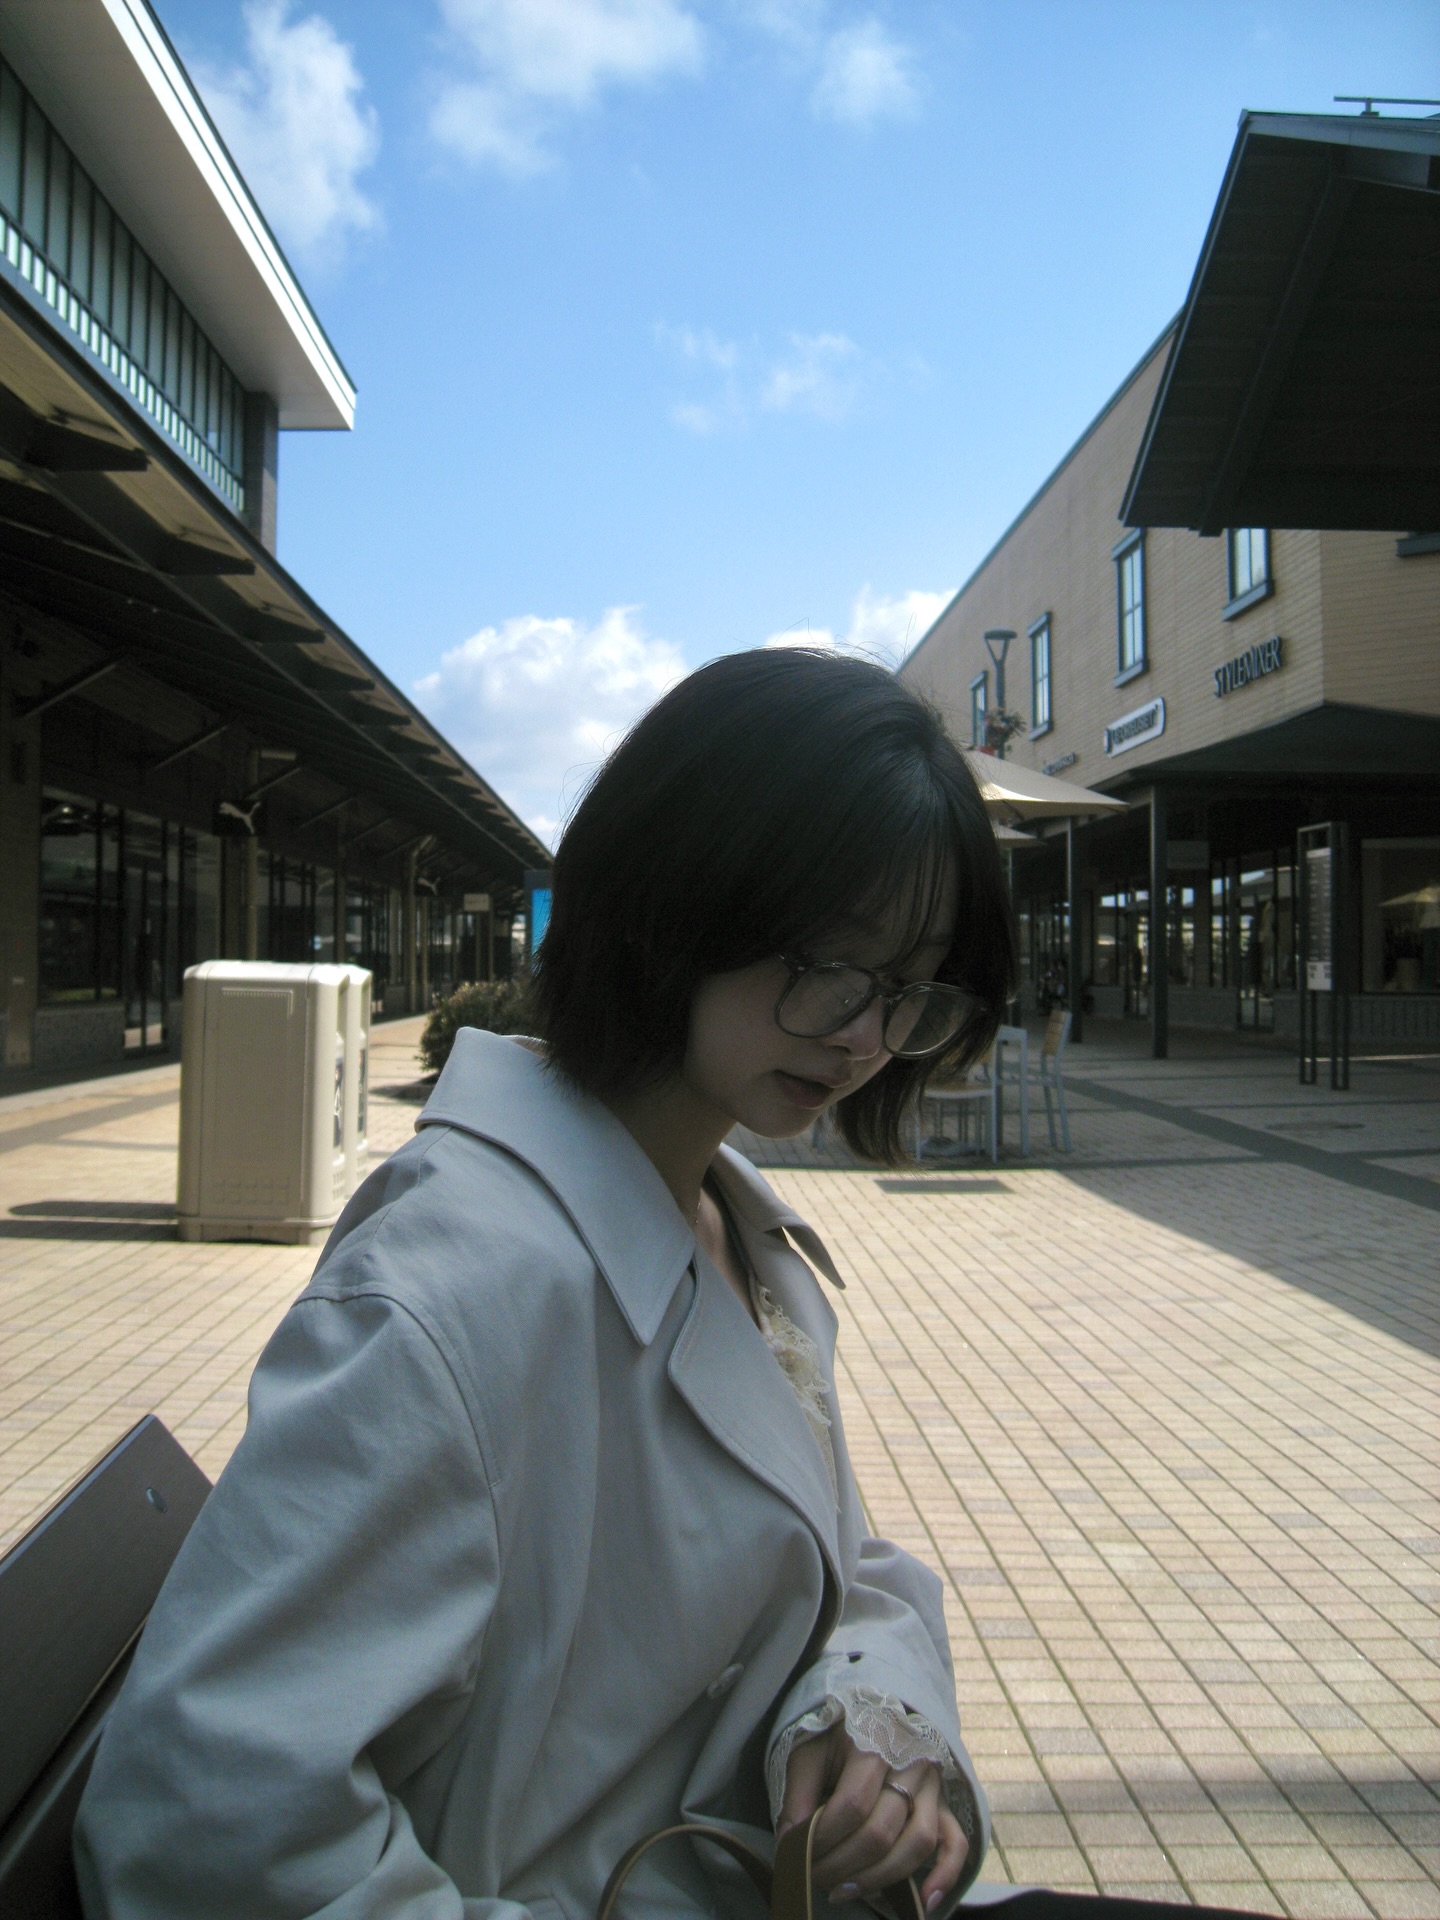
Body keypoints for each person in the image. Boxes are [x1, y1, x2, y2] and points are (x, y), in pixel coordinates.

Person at [76, 649, 1016, 1920]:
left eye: (906, 990)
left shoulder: (721, 1220)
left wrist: (869, 1714)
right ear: (674, 899)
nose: (864, 1036)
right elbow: (206, 1821)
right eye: (829, 965)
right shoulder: (453, 1290)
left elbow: (847, 1564)